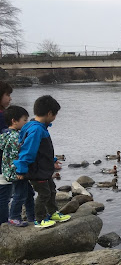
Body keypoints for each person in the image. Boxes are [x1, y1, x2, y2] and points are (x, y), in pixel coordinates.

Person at [14, 95, 70, 228]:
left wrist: (53, 161)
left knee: (51, 190)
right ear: (50, 113)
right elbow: (28, 151)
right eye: (55, 115)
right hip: (37, 170)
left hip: (44, 169)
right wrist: (21, 168)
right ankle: (39, 219)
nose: (55, 118)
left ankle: (53, 212)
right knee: (44, 193)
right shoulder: (36, 130)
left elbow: (43, 151)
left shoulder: (37, 127)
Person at [0, 106, 35, 226]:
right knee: (20, 194)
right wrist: (21, 170)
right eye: (24, 120)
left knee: (28, 193)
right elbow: (18, 156)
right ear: (14, 121)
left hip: (8, 170)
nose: (26, 123)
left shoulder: (4, 134)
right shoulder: (16, 137)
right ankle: (14, 217)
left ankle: (32, 216)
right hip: (18, 172)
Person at [0, 82, 14, 224]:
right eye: (8, 95)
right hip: (3, 163)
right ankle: (3, 226)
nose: (10, 99)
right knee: (4, 196)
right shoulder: (2, 117)